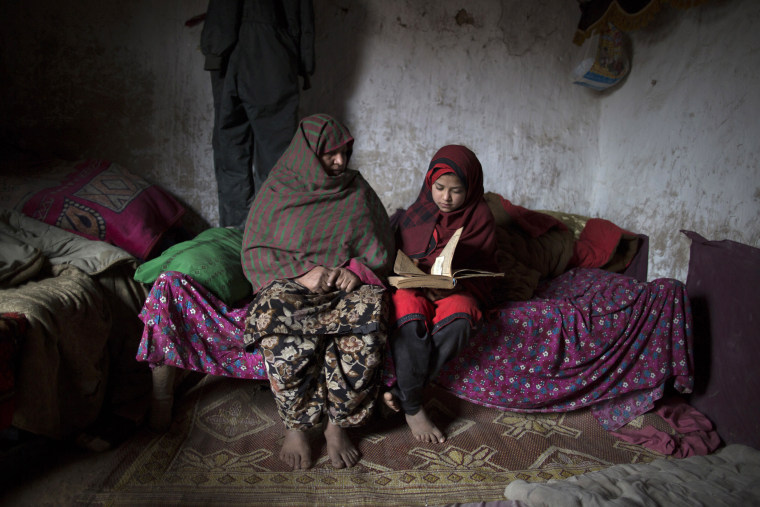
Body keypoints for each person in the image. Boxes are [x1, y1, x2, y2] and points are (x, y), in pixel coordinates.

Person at [240, 113, 395, 470]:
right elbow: (256, 251)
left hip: (344, 288)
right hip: (294, 286)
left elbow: (381, 248)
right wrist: (302, 275)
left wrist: (354, 271)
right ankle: (296, 425)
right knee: (272, 311)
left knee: (371, 310)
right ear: (307, 154)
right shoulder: (278, 189)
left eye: (345, 152)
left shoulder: (356, 190)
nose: (341, 161)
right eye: (330, 154)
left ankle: (337, 426)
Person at [384, 145, 498, 443]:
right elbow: (395, 258)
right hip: (415, 286)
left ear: (471, 187)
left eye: (456, 190)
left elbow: (485, 272)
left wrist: (454, 284)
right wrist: (416, 278)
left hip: (455, 289)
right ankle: (413, 407)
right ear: (428, 183)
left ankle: (403, 394)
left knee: (462, 318)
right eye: (439, 188)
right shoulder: (415, 213)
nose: (445, 198)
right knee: (407, 315)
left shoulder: (480, 216)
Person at [201, 0, 315, 230]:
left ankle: (236, 237)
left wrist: (214, 50)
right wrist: (304, 63)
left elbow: (223, 10)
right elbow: (304, 14)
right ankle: (269, 240)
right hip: (276, 51)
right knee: (276, 158)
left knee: (232, 154)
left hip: (231, 52)